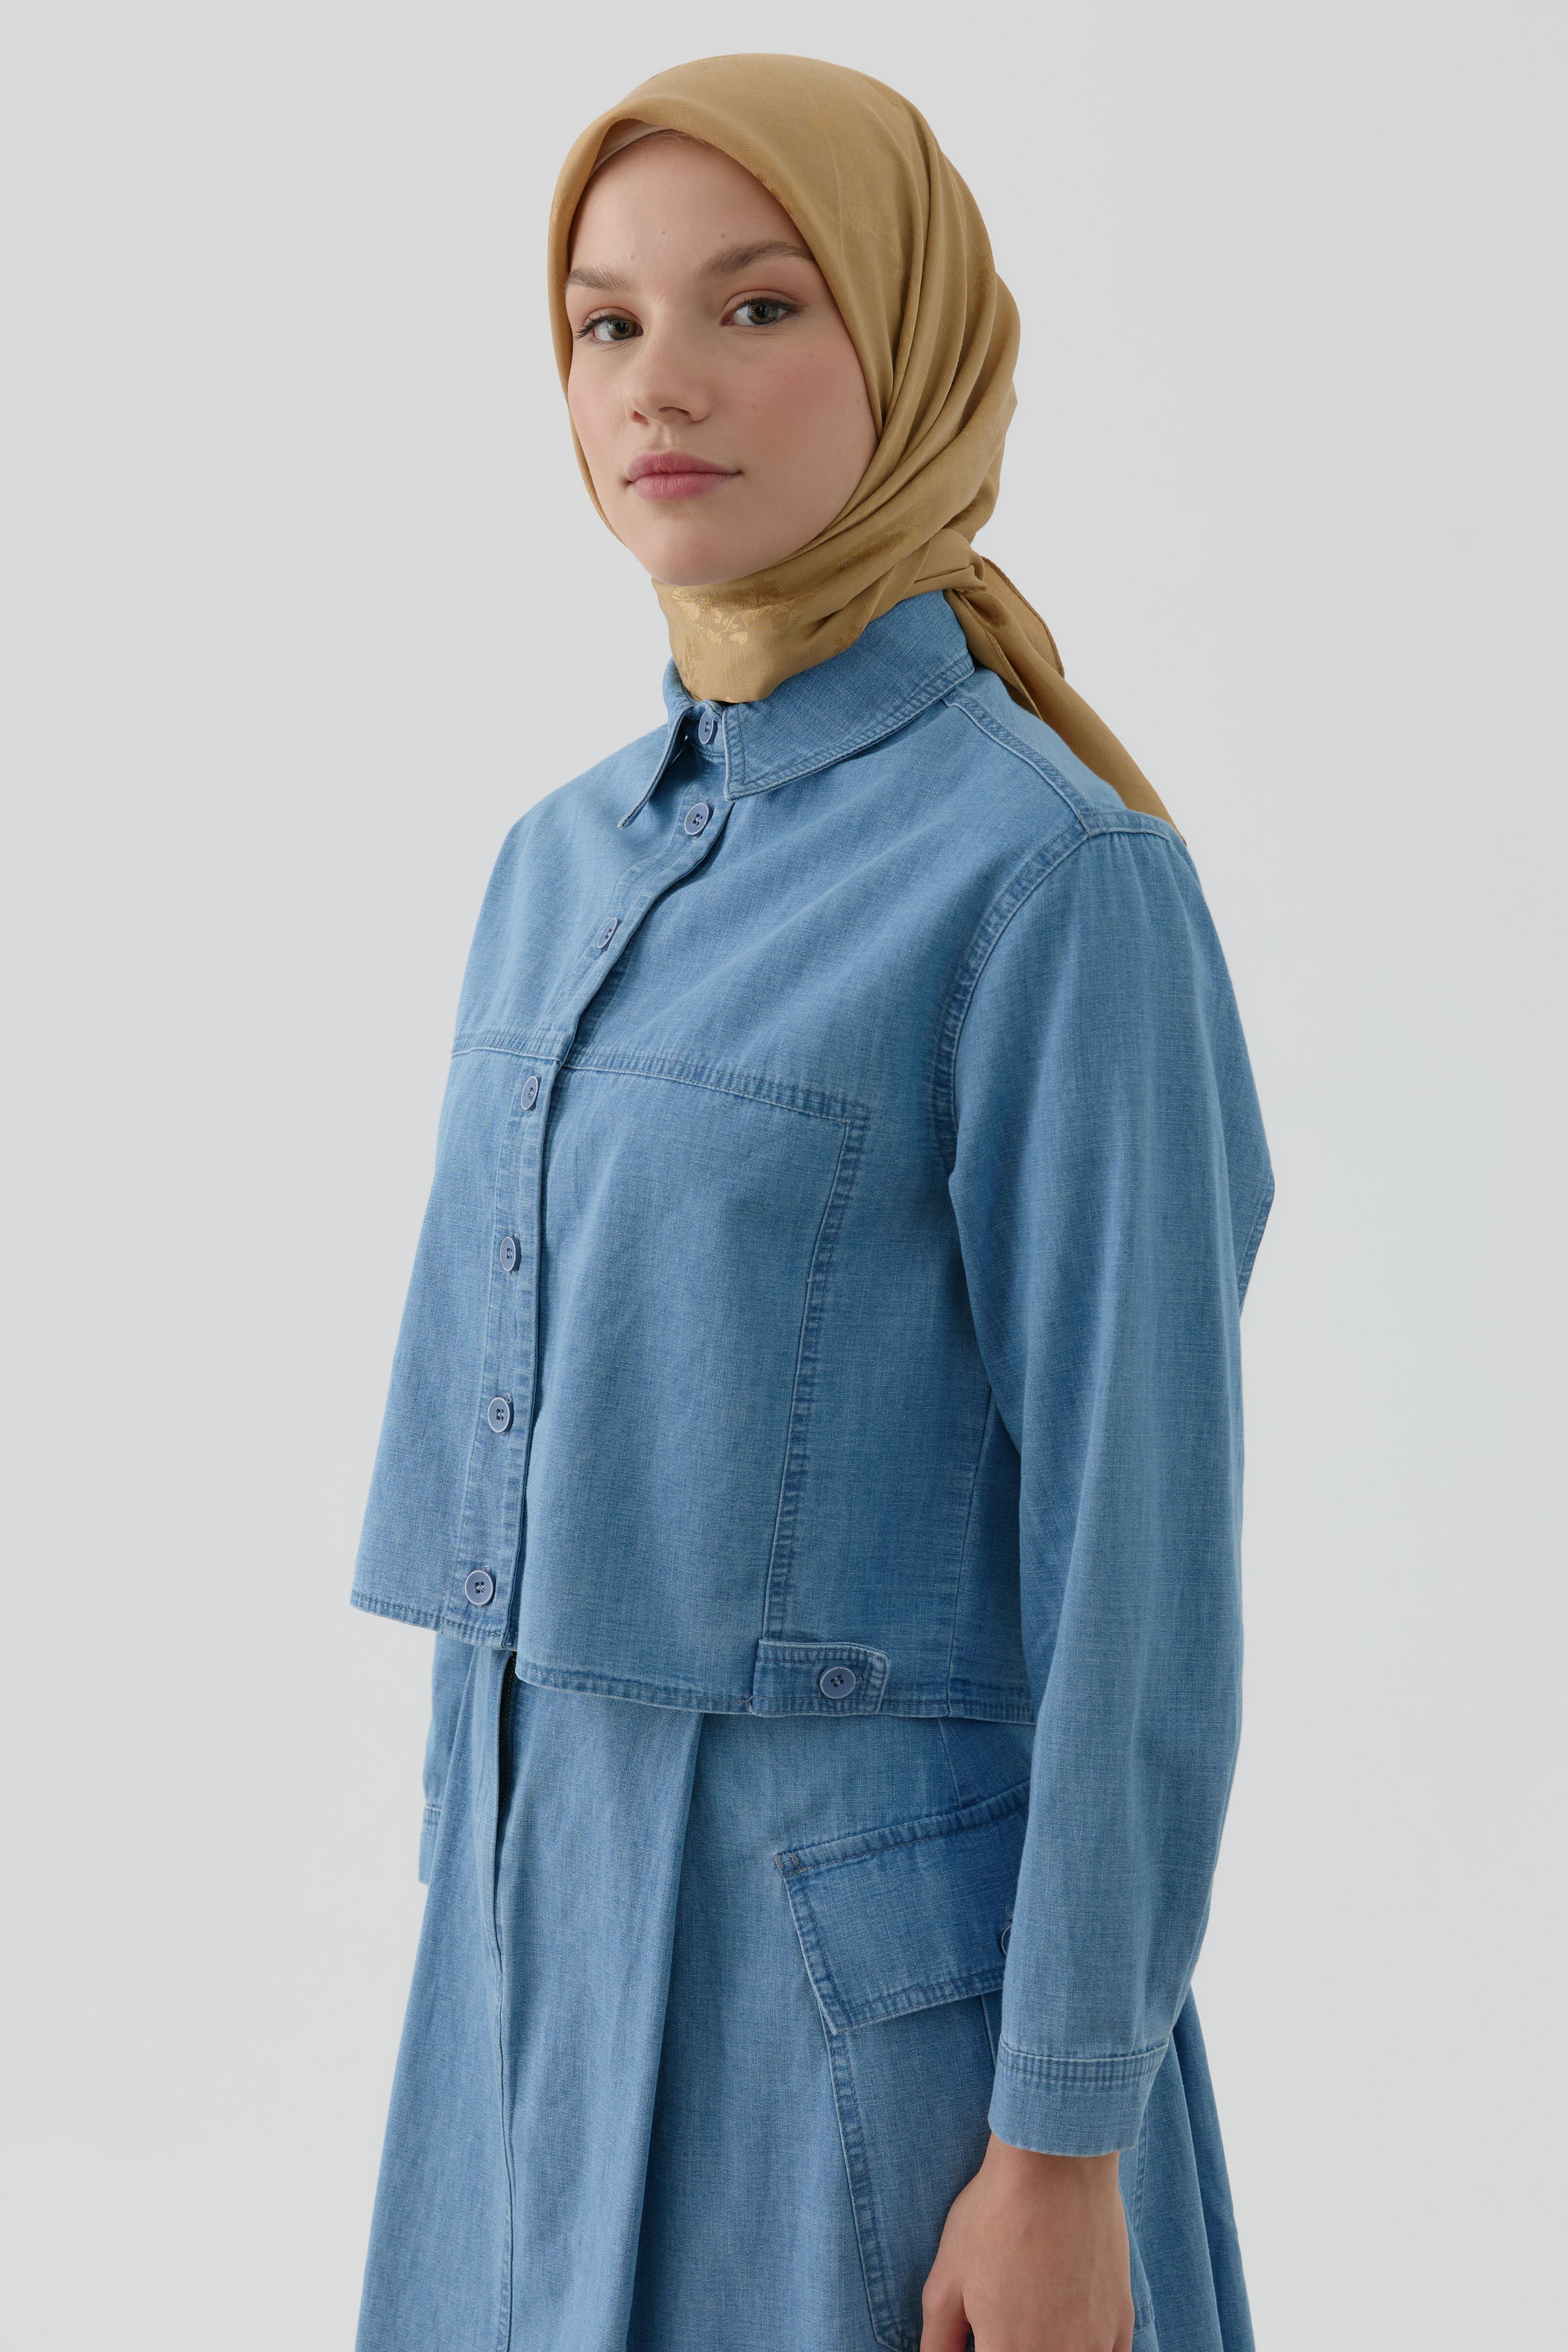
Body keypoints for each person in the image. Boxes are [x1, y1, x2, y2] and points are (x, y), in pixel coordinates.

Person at [350, 52, 1272, 2352]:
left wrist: (1063, 2142)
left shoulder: (1053, 880)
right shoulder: (556, 865)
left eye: (757, 307)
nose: (660, 384)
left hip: (877, 2047)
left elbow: (1141, 1567)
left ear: (915, 346)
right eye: (606, 322)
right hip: (520, 1996)